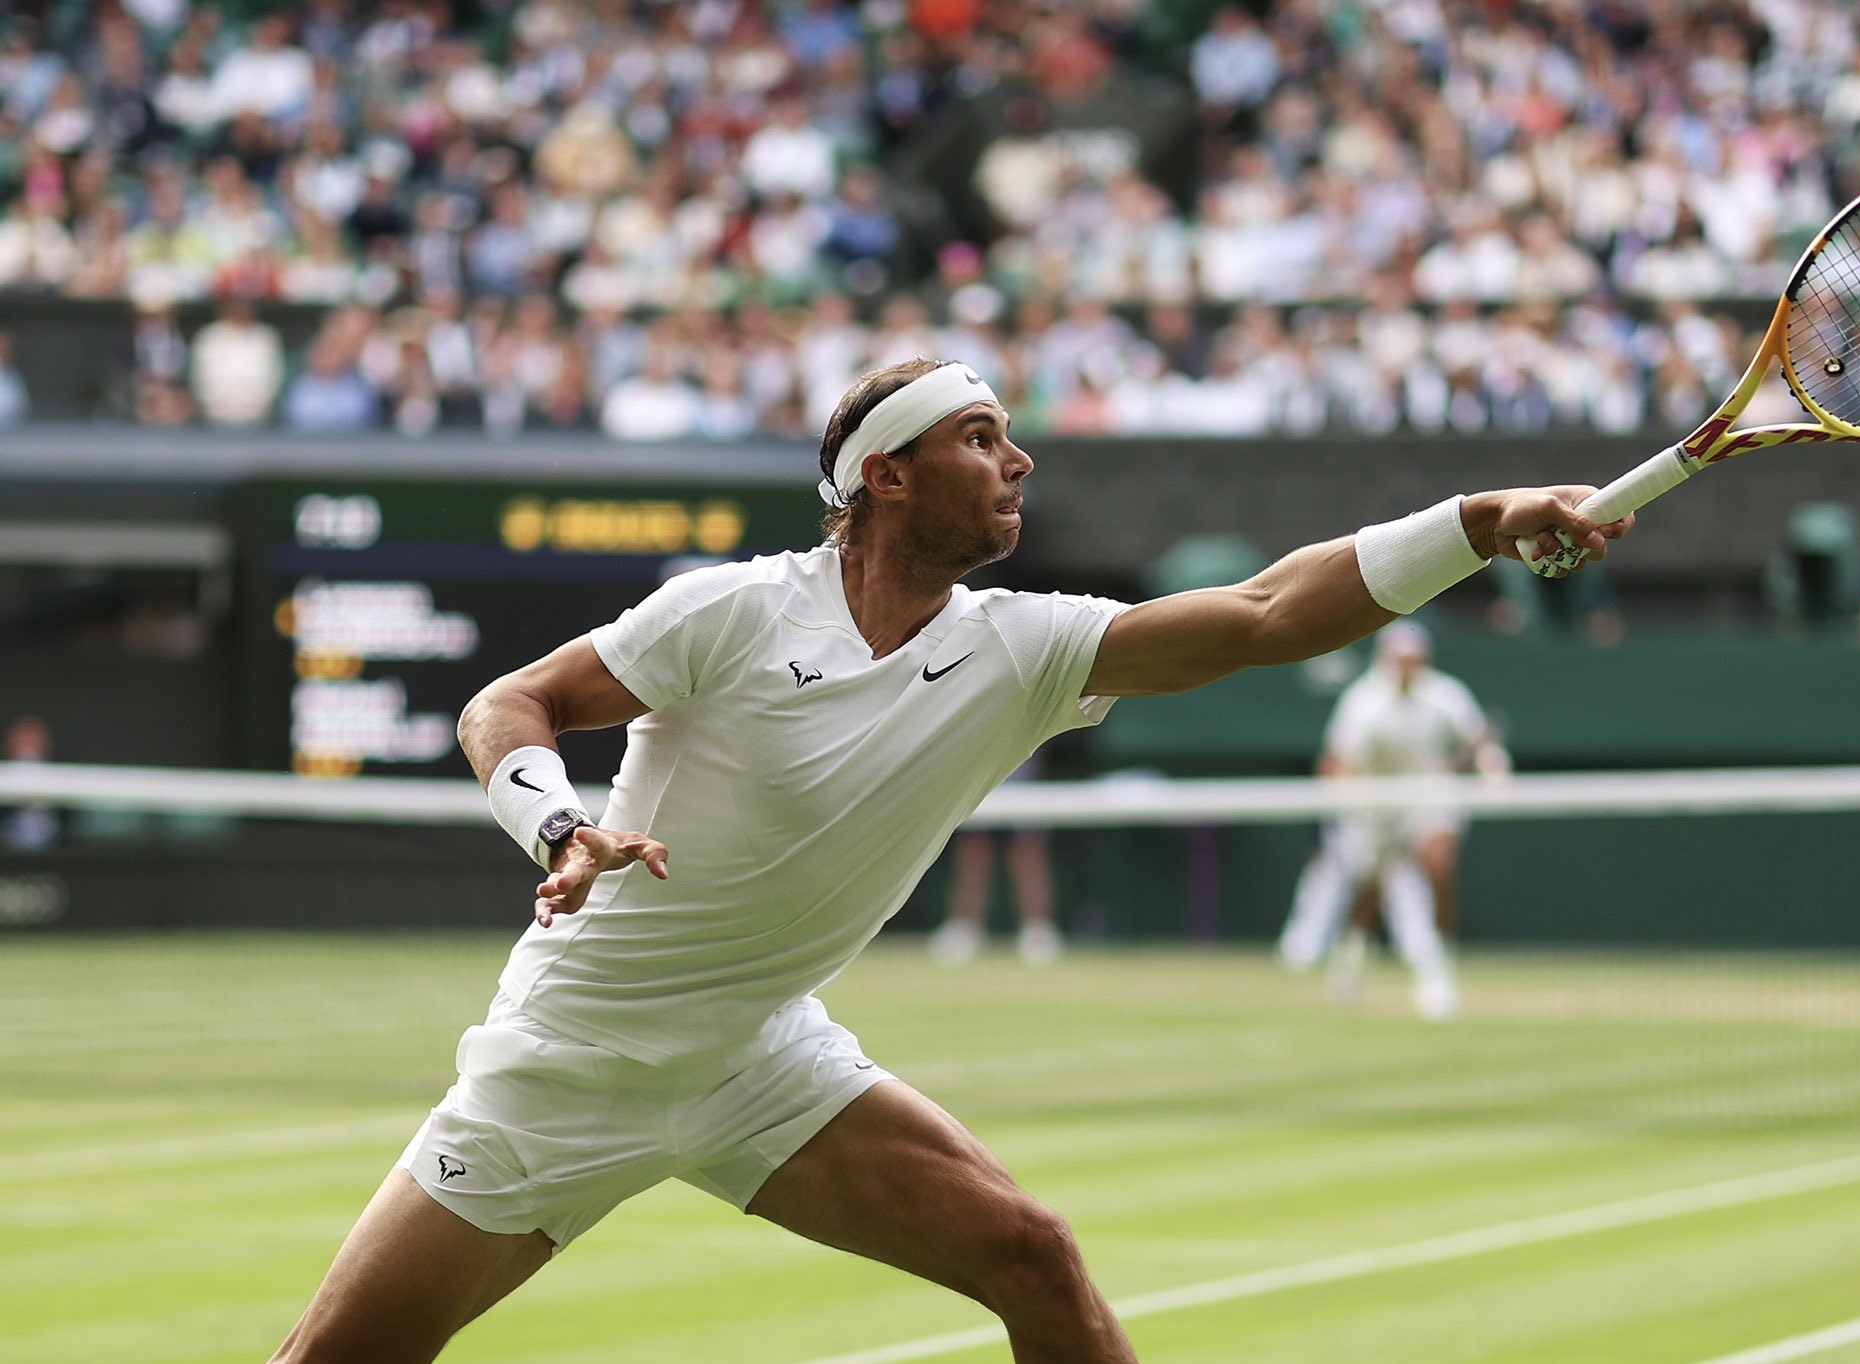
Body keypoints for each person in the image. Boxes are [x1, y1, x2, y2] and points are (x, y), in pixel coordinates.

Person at [270, 357, 1627, 1364]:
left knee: (1033, 1259)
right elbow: (505, 704)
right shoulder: (731, 614)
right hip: (566, 1069)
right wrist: (558, 825)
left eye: (1015, 436)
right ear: (887, 475)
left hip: (754, 1059)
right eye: (983, 437)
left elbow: (1267, 614)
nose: (1019, 460)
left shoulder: (1019, 647)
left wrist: (1479, 520)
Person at [1275, 621, 1509, 1021]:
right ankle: (1353, 953)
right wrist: (1346, 805)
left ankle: (1438, 970)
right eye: (1399, 660)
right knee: (1368, 895)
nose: (1406, 668)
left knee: (1438, 867)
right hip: (1372, 808)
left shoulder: (1445, 695)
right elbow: (1337, 763)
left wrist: (1493, 770)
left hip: (1427, 799)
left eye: (1413, 660)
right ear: (1385, 661)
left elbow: (1479, 741)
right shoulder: (1362, 703)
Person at [928, 753, 1063, 965]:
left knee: (1027, 850)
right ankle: (964, 928)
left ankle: (1037, 931)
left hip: (1022, 768)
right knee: (974, 850)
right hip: (979, 767)